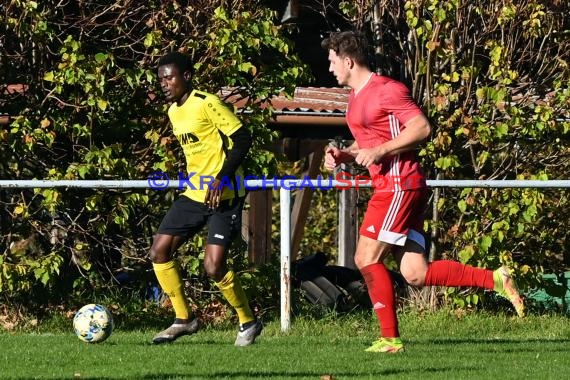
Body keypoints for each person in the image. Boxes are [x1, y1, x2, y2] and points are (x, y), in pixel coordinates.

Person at [321, 31, 524, 353]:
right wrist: (345, 154)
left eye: (332, 62)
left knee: (365, 258)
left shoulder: (387, 89)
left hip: (398, 185)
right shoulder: (357, 97)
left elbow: (421, 127)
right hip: (395, 186)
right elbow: (370, 138)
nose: (330, 69)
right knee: (415, 273)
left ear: (348, 61)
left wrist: (381, 152)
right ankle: (496, 280)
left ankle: (390, 339)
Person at [150, 51, 262, 346]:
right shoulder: (174, 111)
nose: (164, 83)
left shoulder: (207, 103)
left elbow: (242, 138)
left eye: (169, 77)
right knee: (159, 250)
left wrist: (221, 176)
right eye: (160, 79)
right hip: (194, 193)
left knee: (213, 266)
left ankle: (248, 321)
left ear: (186, 76)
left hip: (224, 195)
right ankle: (184, 319)